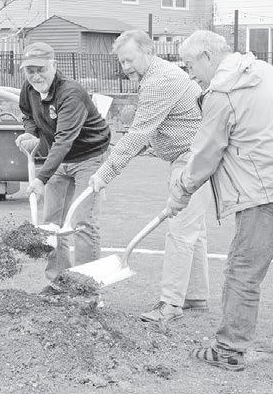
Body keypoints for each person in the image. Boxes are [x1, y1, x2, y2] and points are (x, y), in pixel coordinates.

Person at [168, 30, 273, 371]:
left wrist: (181, 191)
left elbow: (206, 153)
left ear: (207, 56)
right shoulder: (271, 73)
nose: (190, 74)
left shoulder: (223, 92)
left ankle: (229, 349)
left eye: (190, 65)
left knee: (242, 272)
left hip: (268, 192)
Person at [88, 30, 210, 323]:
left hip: (192, 159)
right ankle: (195, 295)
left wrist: (104, 174)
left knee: (180, 229)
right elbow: (151, 130)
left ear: (148, 51)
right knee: (194, 230)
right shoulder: (157, 75)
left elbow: (138, 133)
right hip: (195, 154)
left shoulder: (159, 82)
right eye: (122, 62)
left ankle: (171, 303)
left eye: (129, 60)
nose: (125, 67)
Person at [15, 42, 111, 292]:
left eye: (41, 69)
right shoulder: (29, 89)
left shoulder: (71, 93)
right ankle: (59, 283)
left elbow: (64, 139)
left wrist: (41, 179)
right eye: (30, 70)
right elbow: (27, 113)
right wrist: (31, 132)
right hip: (59, 159)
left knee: (82, 222)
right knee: (51, 222)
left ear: (54, 66)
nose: (36, 76)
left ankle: (87, 287)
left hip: (89, 157)